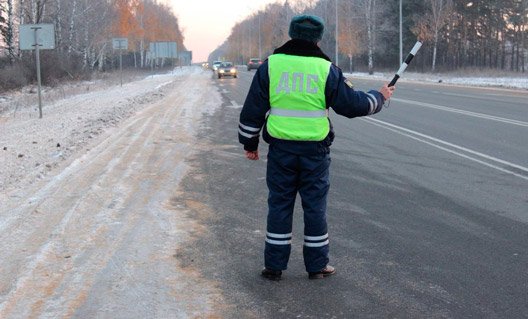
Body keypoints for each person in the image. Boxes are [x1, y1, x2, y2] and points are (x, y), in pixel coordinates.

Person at [238, 14, 395, 280]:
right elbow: (352, 105)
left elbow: (253, 109)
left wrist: (250, 143)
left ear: (291, 34)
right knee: (314, 208)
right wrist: (379, 97)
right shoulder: (326, 69)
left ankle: (274, 267)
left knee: (279, 205)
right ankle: (317, 266)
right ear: (318, 39)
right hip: (315, 153)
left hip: (281, 151)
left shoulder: (271, 65)